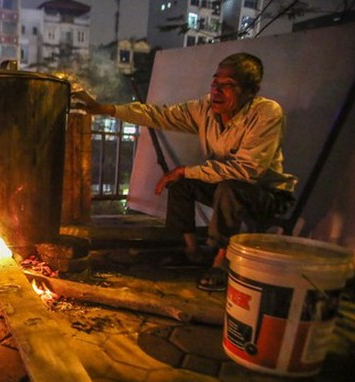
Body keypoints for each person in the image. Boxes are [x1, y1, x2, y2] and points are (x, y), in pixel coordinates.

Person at [73, 52, 297, 291]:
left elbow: (247, 171)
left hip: (266, 194)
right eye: (215, 82)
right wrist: (103, 108)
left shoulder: (266, 113)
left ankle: (222, 261)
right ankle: (191, 251)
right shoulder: (205, 109)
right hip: (225, 188)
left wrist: (185, 170)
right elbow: (158, 115)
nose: (217, 90)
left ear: (251, 91)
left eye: (228, 85)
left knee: (228, 187)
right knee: (181, 184)